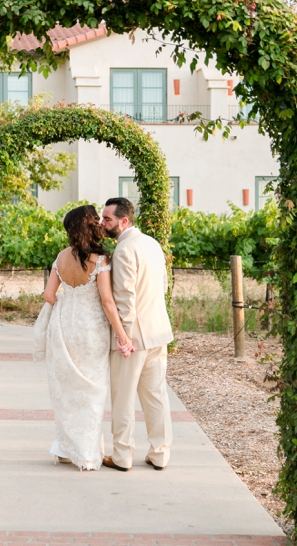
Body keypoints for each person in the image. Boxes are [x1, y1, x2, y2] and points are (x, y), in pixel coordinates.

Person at [33, 204, 133, 471]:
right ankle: (88, 453)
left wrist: (67, 307)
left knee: (67, 390)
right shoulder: (100, 260)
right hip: (91, 330)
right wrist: (123, 336)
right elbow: (107, 302)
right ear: (90, 226)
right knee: (92, 389)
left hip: (64, 327)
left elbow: (48, 296)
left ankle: (66, 449)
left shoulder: (61, 257)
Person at [99, 197, 174, 472]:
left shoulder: (123, 250)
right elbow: (164, 285)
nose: (102, 223)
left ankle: (121, 456)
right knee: (156, 396)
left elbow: (124, 300)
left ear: (124, 221)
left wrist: (123, 338)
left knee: (123, 397)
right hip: (158, 332)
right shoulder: (152, 244)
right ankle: (160, 454)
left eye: (107, 219)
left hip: (134, 338)